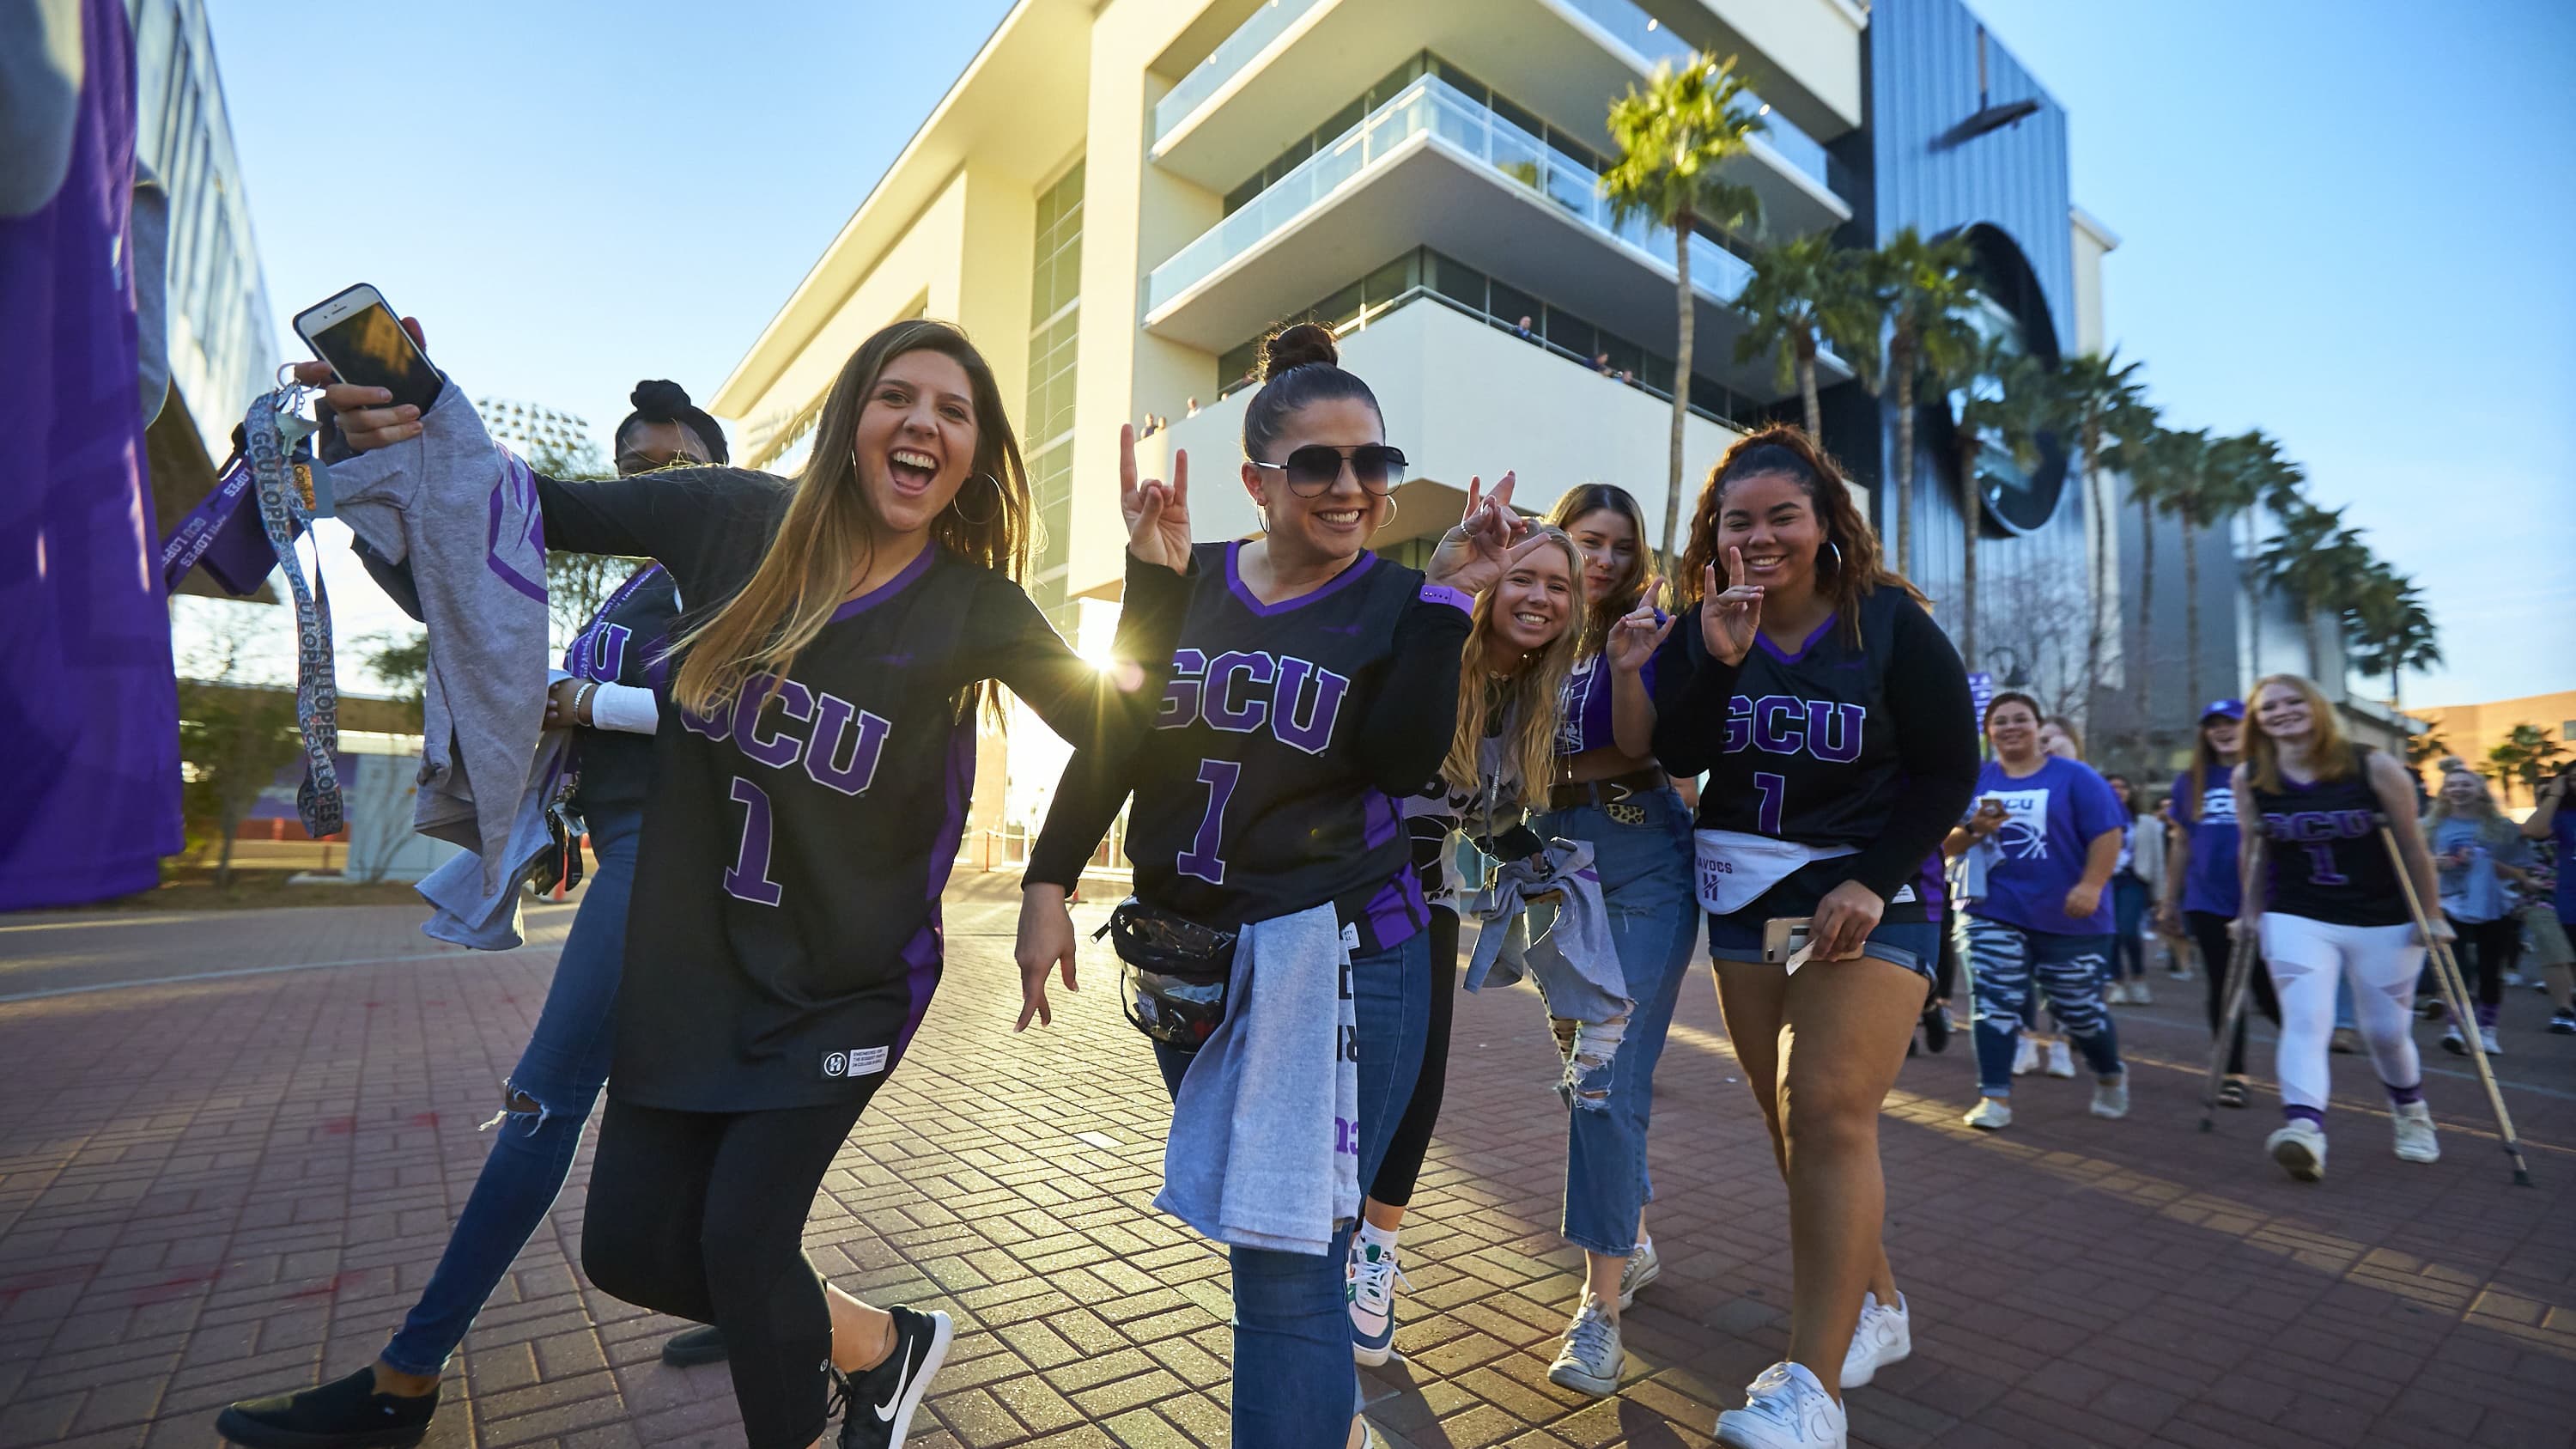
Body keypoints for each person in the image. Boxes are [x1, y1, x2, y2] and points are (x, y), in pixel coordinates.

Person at [306, 315, 1196, 1449]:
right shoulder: (730, 516)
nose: (924, 420)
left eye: (955, 409)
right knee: (625, 1245)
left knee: (741, 1238)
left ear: (972, 455)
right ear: (849, 421)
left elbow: (1129, 736)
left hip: (847, 983)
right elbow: (531, 507)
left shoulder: (972, 605)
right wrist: (414, 409)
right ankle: (878, 1342)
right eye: (897, 395)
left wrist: (1156, 598)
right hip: (694, 965)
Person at [1016, 323, 1529, 1449]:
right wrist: (1048, 880)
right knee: (1281, 1251)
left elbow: (1399, 762)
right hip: (1194, 964)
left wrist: (1448, 601)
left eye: (1372, 463)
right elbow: (1119, 734)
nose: (1350, 486)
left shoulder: (1398, 600)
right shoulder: (1185, 576)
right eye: (1317, 463)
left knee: (1288, 1266)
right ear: (1256, 479)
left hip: (1339, 961)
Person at [214, 384, 738, 1447]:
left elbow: (741, 717)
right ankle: (753, 1300)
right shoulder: (632, 590)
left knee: (544, 1108)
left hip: (677, 866)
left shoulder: (744, 578)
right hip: (638, 858)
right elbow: (470, 610)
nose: (650, 487)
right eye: (632, 470)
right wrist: (364, 500)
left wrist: (585, 703)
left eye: (676, 468)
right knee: (694, 1110)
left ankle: (406, 1378)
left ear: (722, 481)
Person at [1649, 426, 1978, 1449]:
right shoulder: (1701, 626)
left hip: (1865, 903)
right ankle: (1876, 1302)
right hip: (1752, 905)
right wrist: (1718, 652)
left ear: (1826, 522)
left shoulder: (1888, 622)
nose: (1761, 536)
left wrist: (1873, 881)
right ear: (1714, 533)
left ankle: (1811, 1390)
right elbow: (1679, 750)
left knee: (1828, 1105)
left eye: (1782, 515)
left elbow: (1948, 768)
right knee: (1789, 1119)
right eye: (1737, 519)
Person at [1352, 526, 1584, 1369]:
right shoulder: (1434, 641)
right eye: (1525, 577)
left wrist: (1539, 860)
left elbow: (1484, 814)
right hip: (1336, 886)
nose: (1540, 597)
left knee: (1421, 1079)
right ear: (1491, 582)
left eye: (1559, 585)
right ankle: (1322, 1244)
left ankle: (1370, 1256)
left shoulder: (1529, 692)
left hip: (1424, 897)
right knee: (1336, 1075)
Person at [1522, 484, 1698, 1397]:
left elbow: (1647, 746)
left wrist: (1629, 667)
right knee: (1583, 1073)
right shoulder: (1531, 627)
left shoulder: (1646, 634)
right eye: (1588, 540)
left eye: (1621, 547)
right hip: (1551, 867)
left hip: (1640, 857)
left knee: (1601, 1071)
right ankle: (1627, 1234)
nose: (1605, 560)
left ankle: (1600, 1313)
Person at [2236, 674, 2445, 1181]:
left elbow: (2413, 845)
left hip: (2383, 916)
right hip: (2298, 913)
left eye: (2293, 702)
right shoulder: (2251, 777)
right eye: (2269, 708)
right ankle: (2305, 1131)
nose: (2282, 712)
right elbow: (2251, 848)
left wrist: (2431, 913)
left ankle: (2411, 1112)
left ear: (2317, 706)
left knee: (2386, 1032)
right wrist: (2249, 912)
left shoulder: (2371, 764)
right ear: (2258, 721)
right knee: (2307, 1020)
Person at [1947, 692, 2130, 1131]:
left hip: (2069, 915)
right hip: (1991, 908)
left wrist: (2091, 885)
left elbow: (2108, 835)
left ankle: (2110, 1073)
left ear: (2037, 728)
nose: (2011, 727)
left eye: (2021, 719)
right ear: (1988, 733)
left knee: (2079, 1009)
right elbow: (1944, 844)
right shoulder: (1975, 780)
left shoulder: (2076, 778)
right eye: (2000, 721)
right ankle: (1994, 1097)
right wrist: (1973, 828)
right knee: (1993, 1004)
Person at [2161, 700, 2277, 1109]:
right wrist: (2169, 900)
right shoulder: (2191, 781)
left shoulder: (2270, 774)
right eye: (2213, 725)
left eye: (2231, 723)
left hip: (2269, 899)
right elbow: (2182, 843)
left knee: (2269, 989)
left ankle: (2305, 1060)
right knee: (2225, 987)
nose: (2222, 731)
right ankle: (2233, 1072)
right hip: (2207, 899)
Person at [2425, 768, 2533, 1056]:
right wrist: (2435, 863)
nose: (2458, 790)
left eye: (2465, 785)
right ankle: (2456, 1029)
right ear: (2444, 791)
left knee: (2490, 969)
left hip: (2493, 903)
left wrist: (2485, 862)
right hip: (2448, 902)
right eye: (2452, 785)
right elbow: (2416, 862)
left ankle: (2487, 1031)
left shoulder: (2503, 827)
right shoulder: (2431, 826)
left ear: (2480, 790)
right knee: (2455, 968)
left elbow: (2522, 870)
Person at [2520, 764, 2576, 1034]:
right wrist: (2554, 795)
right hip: (2553, 898)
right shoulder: (2559, 815)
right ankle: (2564, 1010)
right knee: (2557, 955)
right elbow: (2531, 831)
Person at [2102, 773, 2159, 1005]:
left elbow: (2158, 859)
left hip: (2134, 879)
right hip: (2105, 879)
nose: (2117, 791)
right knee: (2111, 933)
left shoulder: (2146, 823)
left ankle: (2138, 978)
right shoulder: (2097, 817)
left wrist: (2162, 896)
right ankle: (2117, 982)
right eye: (2111, 787)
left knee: (2128, 930)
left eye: (2122, 786)